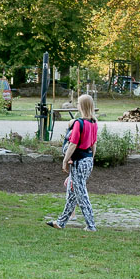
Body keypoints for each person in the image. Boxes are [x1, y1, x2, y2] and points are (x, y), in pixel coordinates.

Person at [47, 93, 98, 231]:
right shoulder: (93, 123)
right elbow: (94, 144)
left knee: (81, 193)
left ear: (81, 106)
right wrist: (91, 159)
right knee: (72, 192)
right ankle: (61, 222)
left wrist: (64, 161)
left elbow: (73, 144)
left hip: (78, 161)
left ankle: (91, 225)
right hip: (87, 160)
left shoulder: (79, 124)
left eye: (78, 103)